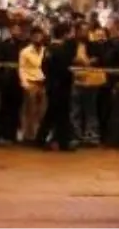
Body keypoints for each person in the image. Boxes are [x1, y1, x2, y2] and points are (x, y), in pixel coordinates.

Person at [36, 23, 77, 151]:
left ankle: (42, 139)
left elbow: (44, 66)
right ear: (65, 34)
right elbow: (64, 68)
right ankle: (62, 142)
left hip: (52, 85)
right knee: (61, 114)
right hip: (61, 86)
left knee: (53, 114)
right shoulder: (61, 49)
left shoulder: (49, 48)